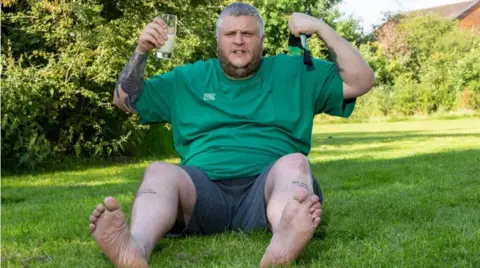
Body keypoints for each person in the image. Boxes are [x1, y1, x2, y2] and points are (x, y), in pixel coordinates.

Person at [88, 2, 374, 267]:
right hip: (202, 191)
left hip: (269, 188)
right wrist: (141, 51)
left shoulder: (296, 71)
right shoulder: (187, 79)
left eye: (248, 33)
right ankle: (135, 248)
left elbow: (362, 80)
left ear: (261, 41)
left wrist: (321, 27)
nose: (239, 40)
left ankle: (284, 238)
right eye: (231, 33)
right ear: (217, 41)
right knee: (158, 172)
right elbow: (124, 100)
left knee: (295, 163)